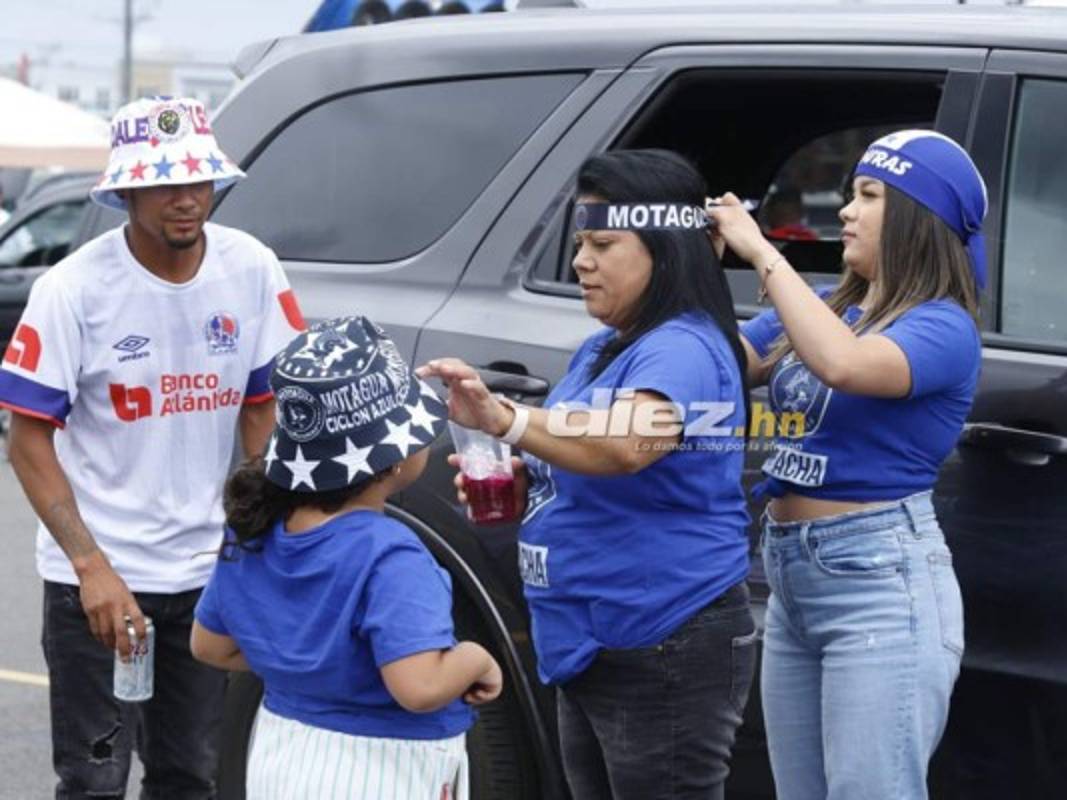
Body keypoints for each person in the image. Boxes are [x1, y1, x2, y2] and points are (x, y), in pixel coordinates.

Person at [419, 148, 757, 799]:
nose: (580, 262)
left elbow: (630, 443)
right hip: (592, 639)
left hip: (660, 635)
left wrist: (505, 419)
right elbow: (591, 453)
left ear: (665, 249)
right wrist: (532, 481)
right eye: (580, 242)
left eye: (603, 243)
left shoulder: (683, 343)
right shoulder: (608, 343)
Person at [0, 96, 305, 799]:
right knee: (94, 780)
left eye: (199, 181)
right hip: (100, 589)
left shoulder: (251, 267)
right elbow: (27, 438)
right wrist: (92, 568)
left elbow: (263, 405)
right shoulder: (73, 289)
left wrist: (258, 531)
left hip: (205, 578)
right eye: (166, 184)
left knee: (190, 776)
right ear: (127, 191)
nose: (187, 200)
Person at [707, 129, 985, 800]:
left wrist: (762, 252)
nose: (847, 213)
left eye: (868, 196)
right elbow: (721, 362)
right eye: (849, 194)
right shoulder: (833, 303)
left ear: (919, 218)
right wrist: (694, 270)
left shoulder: (944, 325)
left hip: (880, 584)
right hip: (791, 577)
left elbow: (847, 365)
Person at [191, 316, 501, 799]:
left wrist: (308, 665)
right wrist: (477, 659)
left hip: (280, 753)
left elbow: (210, 646)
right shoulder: (391, 556)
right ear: (395, 456)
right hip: (383, 771)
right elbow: (418, 687)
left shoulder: (252, 531)